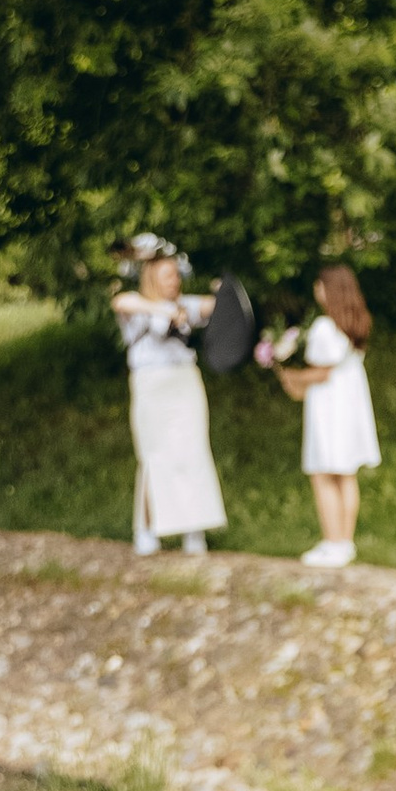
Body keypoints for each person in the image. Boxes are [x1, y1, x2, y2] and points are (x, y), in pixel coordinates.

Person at [111, 234, 225, 560]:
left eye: (176, 276)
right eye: (166, 277)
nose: (173, 282)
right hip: (151, 386)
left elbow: (212, 306)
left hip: (184, 383)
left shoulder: (185, 305)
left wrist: (222, 291)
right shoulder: (139, 307)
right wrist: (162, 309)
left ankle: (194, 529)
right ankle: (147, 529)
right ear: (152, 279)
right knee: (154, 457)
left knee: (192, 453)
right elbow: (121, 301)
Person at [269, 263, 381, 567]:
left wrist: (290, 374)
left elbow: (321, 372)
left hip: (329, 408)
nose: (316, 291)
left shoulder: (323, 328)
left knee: (323, 474)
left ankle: (333, 542)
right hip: (351, 405)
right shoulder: (355, 324)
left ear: (330, 289)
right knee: (346, 474)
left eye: (320, 285)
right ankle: (345, 542)